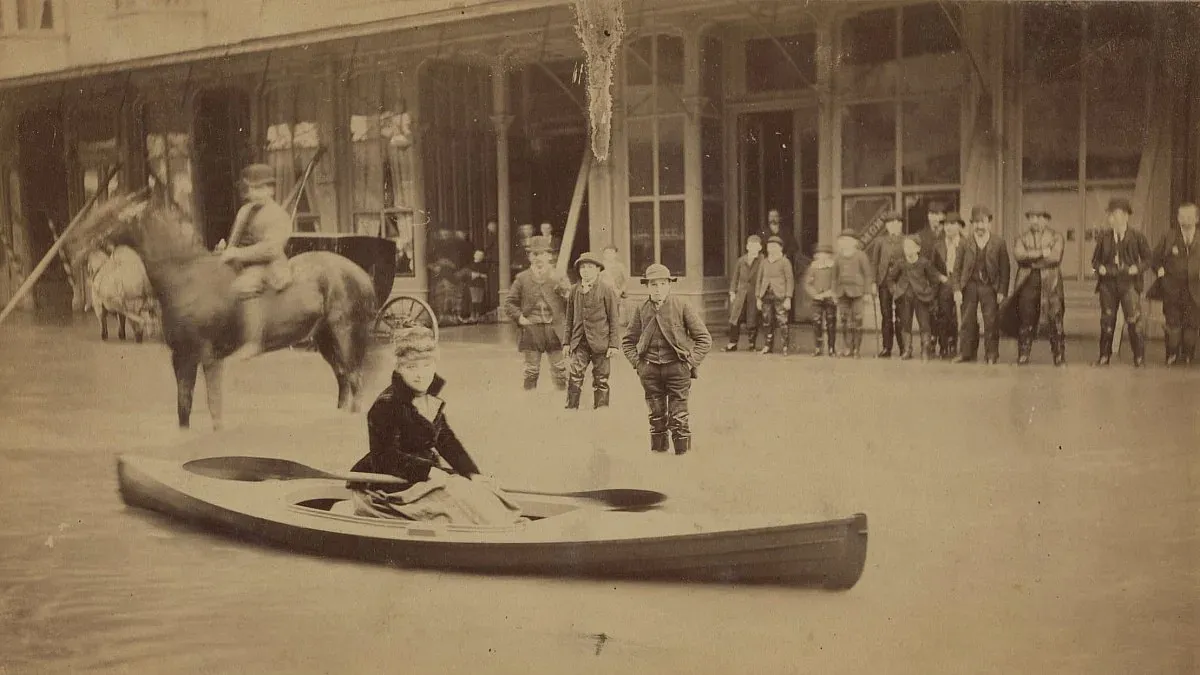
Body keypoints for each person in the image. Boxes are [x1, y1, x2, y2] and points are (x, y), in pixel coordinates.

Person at [347, 326, 522, 526]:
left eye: (426, 366)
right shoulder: (387, 405)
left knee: (478, 489)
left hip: (422, 472)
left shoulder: (429, 399)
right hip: (390, 483)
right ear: (398, 369)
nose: (420, 375)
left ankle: (502, 522)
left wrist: (472, 473)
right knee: (458, 499)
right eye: (411, 368)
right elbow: (385, 459)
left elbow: (445, 440)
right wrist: (428, 471)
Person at [622, 263, 712, 455]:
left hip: (677, 369)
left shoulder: (682, 306)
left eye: (662, 284)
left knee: (679, 415)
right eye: (653, 284)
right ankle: (659, 454)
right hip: (650, 370)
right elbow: (628, 341)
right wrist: (638, 364)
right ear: (647, 286)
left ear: (669, 285)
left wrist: (689, 363)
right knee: (655, 414)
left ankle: (682, 455)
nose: (658, 289)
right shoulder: (641, 309)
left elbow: (704, 339)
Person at [220, 163, 293, 361]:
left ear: (271, 189)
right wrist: (225, 251)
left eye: (260, 188)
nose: (255, 193)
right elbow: (236, 238)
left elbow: (271, 249)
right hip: (241, 262)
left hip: (267, 265)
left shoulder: (278, 215)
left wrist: (238, 254)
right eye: (252, 188)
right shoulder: (245, 211)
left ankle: (254, 341)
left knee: (244, 286)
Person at [1090, 198, 1152, 367]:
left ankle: (1139, 358)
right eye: (1110, 215)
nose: (1112, 219)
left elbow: (1148, 260)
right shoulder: (1104, 237)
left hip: (1129, 284)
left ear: (1126, 216)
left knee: (1133, 320)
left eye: (1116, 215)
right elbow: (1094, 263)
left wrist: (1136, 269)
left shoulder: (1137, 236)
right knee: (1107, 321)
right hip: (1108, 285)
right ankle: (1104, 357)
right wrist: (1099, 270)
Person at [503, 235, 571, 390]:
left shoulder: (559, 276)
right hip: (531, 329)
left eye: (542, 254)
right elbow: (509, 303)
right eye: (535, 254)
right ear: (529, 257)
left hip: (555, 329)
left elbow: (572, 302)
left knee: (560, 370)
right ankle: (531, 404)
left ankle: (561, 403)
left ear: (549, 256)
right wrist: (521, 318)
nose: (539, 258)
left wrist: (565, 292)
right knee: (531, 371)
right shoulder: (522, 278)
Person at [1007, 204, 1066, 366]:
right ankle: (1023, 353)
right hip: (1027, 282)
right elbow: (1019, 256)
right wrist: (1041, 253)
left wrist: (1031, 260)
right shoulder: (1022, 237)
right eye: (1031, 217)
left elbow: (1055, 258)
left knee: (1055, 317)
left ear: (1046, 220)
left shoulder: (1056, 236)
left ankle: (1059, 354)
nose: (1035, 221)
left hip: (1050, 282)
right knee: (1026, 317)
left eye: (1039, 217)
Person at [563, 251, 620, 410]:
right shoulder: (574, 290)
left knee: (601, 378)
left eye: (589, 267)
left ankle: (601, 410)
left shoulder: (606, 289)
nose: (585, 270)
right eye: (582, 267)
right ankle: (571, 408)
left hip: (601, 342)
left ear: (597, 270)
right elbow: (569, 319)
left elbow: (614, 319)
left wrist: (614, 345)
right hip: (579, 341)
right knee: (575, 375)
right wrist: (566, 342)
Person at [953, 206, 1010, 365]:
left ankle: (991, 354)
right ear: (972, 224)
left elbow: (1005, 269)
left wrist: (1002, 291)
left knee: (991, 321)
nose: (979, 226)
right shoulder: (965, 243)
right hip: (969, 285)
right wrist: (957, 289)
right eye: (976, 222)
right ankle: (966, 353)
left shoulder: (998, 242)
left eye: (983, 222)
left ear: (989, 223)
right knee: (967, 320)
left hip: (989, 287)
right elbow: (956, 268)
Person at [1151, 202, 1200, 365]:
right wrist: (1159, 270)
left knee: (1191, 328)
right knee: (1173, 327)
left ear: (1197, 218)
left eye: (1190, 216)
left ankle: (1188, 355)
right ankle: (1171, 354)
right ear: (1178, 219)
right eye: (1182, 216)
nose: (1186, 220)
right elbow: (1154, 258)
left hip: (1195, 291)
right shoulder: (1169, 237)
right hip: (1172, 289)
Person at [887, 237, 945, 360]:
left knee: (924, 324)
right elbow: (890, 279)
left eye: (911, 247)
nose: (908, 250)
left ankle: (925, 350)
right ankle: (907, 350)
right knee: (905, 323)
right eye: (906, 247)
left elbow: (935, 280)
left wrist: (931, 293)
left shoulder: (924, 263)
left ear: (918, 248)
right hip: (904, 298)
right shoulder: (900, 263)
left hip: (921, 298)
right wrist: (895, 291)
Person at [867, 211, 906, 358]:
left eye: (897, 222)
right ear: (886, 226)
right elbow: (874, 262)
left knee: (902, 316)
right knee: (886, 315)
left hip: (901, 283)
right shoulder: (880, 241)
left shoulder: (906, 240)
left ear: (901, 224)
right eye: (890, 223)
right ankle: (886, 348)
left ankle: (903, 348)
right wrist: (872, 282)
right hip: (883, 282)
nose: (894, 226)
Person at [832, 229, 874, 358]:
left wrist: (867, 292)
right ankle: (848, 347)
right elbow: (834, 276)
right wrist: (834, 293)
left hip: (858, 292)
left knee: (857, 320)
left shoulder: (861, 256)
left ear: (855, 242)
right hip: (842, 292)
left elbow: (867, 275)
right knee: (844, 320)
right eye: (843, 240)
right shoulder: (838, 257)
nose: (845, 243)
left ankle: (856, 349)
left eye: (848, 240)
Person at [931, 212, 967, 359]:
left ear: (959, 226)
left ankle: (958, 345)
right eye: (946, 225)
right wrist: (940, 277)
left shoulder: (966, 243)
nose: (949, 228)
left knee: (959, 315)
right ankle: (944, 345)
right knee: (944, 315)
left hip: (962, 283)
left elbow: (970, 265)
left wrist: (961, 282)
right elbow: (931, 267)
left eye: (953, 224)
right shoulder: (938, 245)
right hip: (945, 283)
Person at [756, 235, 794, 356]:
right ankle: (768, 346)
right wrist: (758, 297)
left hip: (780, 295)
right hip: (766, 295)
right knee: (767, 321)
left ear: (780, 248)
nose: (771, 249)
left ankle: (785, 347)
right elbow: (759, 279)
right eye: (769, 246)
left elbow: (790, 280)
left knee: (782, 321)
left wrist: (788, 298)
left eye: (774, 246)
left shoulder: (785, 262)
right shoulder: (764, 262)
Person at [725, 234, 763, 352]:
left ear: (760, 247)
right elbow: (735, 277)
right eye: (751, 246)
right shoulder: (741, 260)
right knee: (735, 317)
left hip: (754, 294)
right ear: (747, 247)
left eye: (756, 246)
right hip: (741, 293)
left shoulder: (762, 260)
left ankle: (752, 344)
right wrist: (732, 292)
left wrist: (760, 294)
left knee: (752, 318)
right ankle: (732, 343)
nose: (753, 248)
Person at [803, 242, 837, 357]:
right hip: (817, 299)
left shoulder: (833, 268)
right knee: (817, 322)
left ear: (830, 255)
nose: (822, 256)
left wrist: (830, 292)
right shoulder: (813, 267)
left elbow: (836, 282)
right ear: (816, 256)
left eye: (825, 254)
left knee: (831, 322)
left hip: (830, 298)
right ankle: (818, 347)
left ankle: (832, 347)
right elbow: (808, 283)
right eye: (819, 254)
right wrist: (815, 294)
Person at [598, 245, 630, 324]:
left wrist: (620, 290)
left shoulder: (620, 266)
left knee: (614, 314)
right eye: (607, 253)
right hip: (602, 293)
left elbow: (626, 280)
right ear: (604, 255)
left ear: (615, 254)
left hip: (615, 293)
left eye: (611, 253)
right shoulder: (599, 266)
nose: (609, 255)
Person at [465, 249, 489, 323]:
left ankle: (478, 316)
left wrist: (478, 275)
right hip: (473, 285)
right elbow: (470, 274)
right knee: (473, 300)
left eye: (481, 255)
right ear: (474, 255)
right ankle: (472, 316)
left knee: (479, 300)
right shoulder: (470, 265)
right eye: (478, 255)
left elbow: (485, 276)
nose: (480, 257)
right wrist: (479, 275)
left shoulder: (483, 266)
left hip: (480, 285)